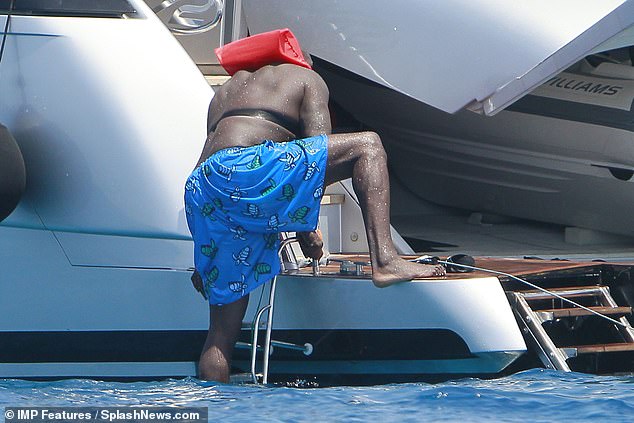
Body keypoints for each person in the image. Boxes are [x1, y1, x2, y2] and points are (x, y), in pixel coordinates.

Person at [184, 30, 446, 382]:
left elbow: (222, 177)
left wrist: (204, 260)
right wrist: (307, 232)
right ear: (300, 59)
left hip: (202, 186)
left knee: (220, 337)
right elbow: (317, 155)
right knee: (367, 145)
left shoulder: (227, 91)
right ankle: (386, 261)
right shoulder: (307, 78)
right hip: (245, 171)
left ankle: (214, 402)